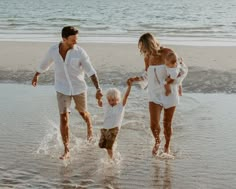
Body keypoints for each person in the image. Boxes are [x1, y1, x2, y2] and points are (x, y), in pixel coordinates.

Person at [32, 26, 103, 160]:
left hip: (79, 88)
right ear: (64, 39)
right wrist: (37, 74)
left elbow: (91, 71)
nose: (75, 42)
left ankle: (89, 125)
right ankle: (67, 149)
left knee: (83, 113)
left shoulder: (80, 52)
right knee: (64, 117)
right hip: (62, 88)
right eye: (72, 40)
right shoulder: (53, 50)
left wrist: (98, 89)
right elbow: (45, 63)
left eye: (76, 39)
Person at [128, 33, 187, 155]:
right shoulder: (147, 57)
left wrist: (167, 83)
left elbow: (176, 73)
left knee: (167, 123)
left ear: (150, 44)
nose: (142, 50)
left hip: (169, 92)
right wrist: (135, 79)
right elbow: (147, 75)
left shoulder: (168, 53)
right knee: (153, 124)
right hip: (154, 93)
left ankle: (167, 145)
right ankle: (157, 141)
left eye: (143, 47)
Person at [97, 81, 132, 159]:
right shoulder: (106, 105)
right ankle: (113, 154)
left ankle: (111, 160)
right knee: (102, 146)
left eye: (113, 100)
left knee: (109, 147)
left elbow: (126, 96)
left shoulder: (120, 106)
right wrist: (98, 97)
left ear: (118, 99)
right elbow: (100, 103)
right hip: (105, 128)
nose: (111, 102)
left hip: (114, 129)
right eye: (109, 100)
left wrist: (129, 87)